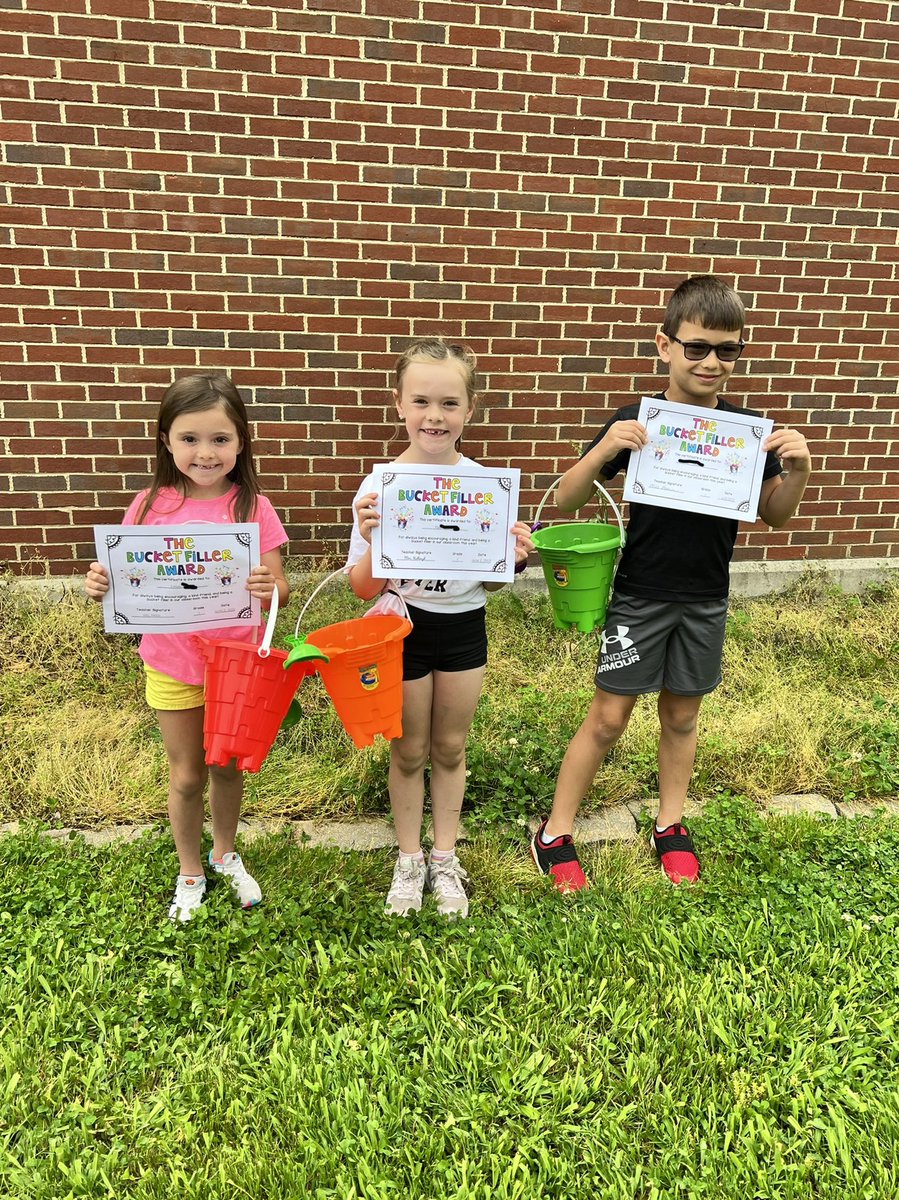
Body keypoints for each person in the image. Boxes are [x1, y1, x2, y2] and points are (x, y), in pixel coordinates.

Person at [531, 275, 813, 890]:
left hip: (705, 596)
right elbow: (570, 498)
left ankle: (670, 824)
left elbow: (777, 512)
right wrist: (605, 448)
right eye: (697, 347)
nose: (711, 362)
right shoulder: (637, 420)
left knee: (682, 717)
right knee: (608, 718)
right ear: (665, 346)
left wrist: (796, 468)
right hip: (640, 592)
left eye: (727, 350)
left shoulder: (745, 433)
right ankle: (555, 831)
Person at [85, 373, 289, 921]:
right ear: (166, 442)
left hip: (236, 670)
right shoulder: (150, 506)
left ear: (241, 442)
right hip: (172, 664)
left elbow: (280, 588)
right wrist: (102, 584)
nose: (205, 452)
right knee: (186, 773)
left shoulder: (254, 507)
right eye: (190, 438)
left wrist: (271, 588)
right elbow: (123, 574)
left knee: (227, 767)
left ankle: (226, 853)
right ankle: (190, 869)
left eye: (220, 439)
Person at [346, 338, 533, 918]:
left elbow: (494, 585)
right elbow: (360, 588)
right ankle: (409, 858)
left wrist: (514, 558)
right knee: (408, 750)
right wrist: (374, 538)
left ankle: (445, 855)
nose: (434, 415)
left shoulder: (485, 488)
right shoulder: (378, 490)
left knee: (450, 747)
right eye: (421, 401)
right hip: (398, 629)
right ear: (398, 404)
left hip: (462, 627)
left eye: (449, 403)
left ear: (469, 410)